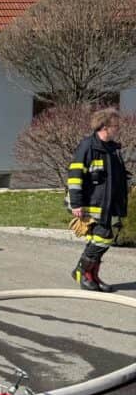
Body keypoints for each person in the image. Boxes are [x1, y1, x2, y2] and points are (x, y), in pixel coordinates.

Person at [67, 108, 129, 292]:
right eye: (115, 126)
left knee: (99, 239)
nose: (117, 129)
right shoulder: (88, 146)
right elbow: (75, 175)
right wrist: (76, 203)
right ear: (104, 127)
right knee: (103, 238)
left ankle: (91, 276)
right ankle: (82, 272)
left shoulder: (112, 148)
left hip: (110, 204)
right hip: (92, 204)